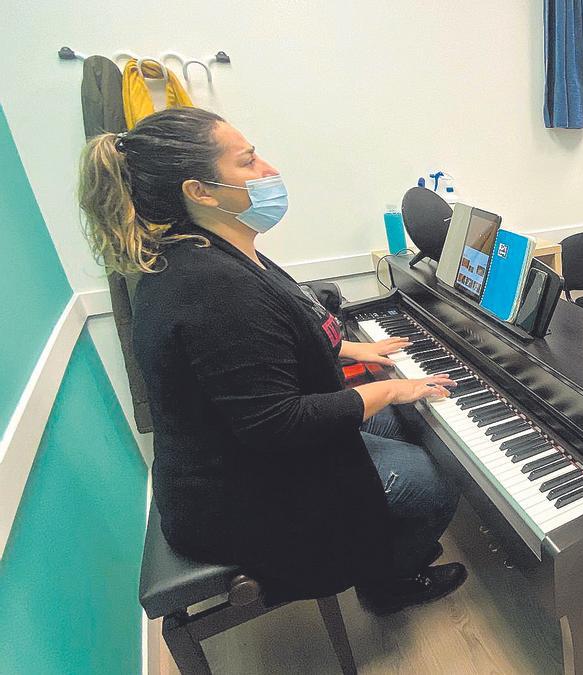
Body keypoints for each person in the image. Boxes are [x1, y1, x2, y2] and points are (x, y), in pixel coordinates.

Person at [78, 107, 466, 613]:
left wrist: (349, 349)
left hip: (239, 452)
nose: (269, 170)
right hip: (239, 493)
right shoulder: (209, 287)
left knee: (402, 421)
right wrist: (389, 387)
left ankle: (385, 549)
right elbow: (278, 424)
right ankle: (387, 584)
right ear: (201, 191)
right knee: (433, 479)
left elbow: (276, 338)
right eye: (248, 161)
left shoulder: (213, 249)